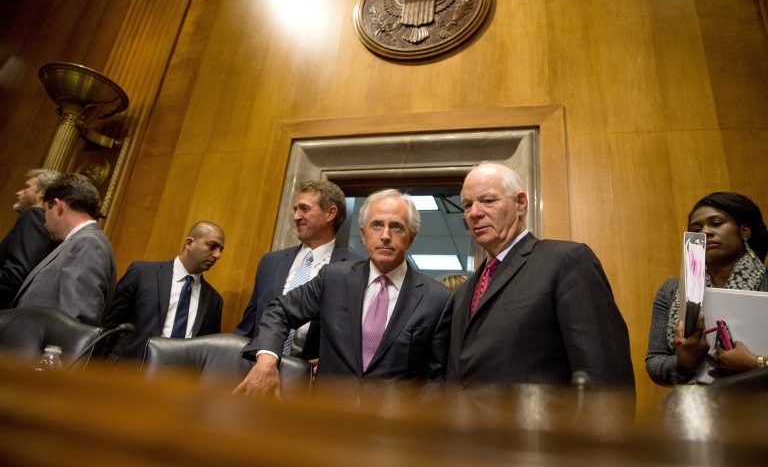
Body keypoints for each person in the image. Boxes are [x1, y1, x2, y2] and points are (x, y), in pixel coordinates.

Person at [234, 189, 451, 397]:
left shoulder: (437, 299)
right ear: (364, 235)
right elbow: (280, 310)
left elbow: (437, 377)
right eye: (376, 225)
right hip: (328, 416)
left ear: (411, 238)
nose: (385, 235)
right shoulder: (333, 279)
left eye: (396, 227)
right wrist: (267, 361)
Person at [445, 162, 634, 387]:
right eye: (467, 205)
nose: (474, 213)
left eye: (488, 200)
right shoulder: (465, 291)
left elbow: (604, 375)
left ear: (521, 204)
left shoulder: (567, 262)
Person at [646, 192, 768, 386]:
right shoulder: (670, 290)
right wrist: (682, 364)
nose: (706, 231)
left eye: (716, 223)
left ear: (745, 231)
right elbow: (654, 361)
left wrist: (756, 364)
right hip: (692, 408)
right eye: (697, 228)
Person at [235, 180, 361, 359]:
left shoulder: (354, 268)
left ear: (330, 213)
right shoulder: (270, 262)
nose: (296, 216)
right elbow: (248, 327)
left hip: (314, 379)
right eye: (295, 209)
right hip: (258, 370)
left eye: (304, 209)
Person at [103, 221, 226, 360]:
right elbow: (109, 327)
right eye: (212, 246)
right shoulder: (142, 274)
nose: (217, 255)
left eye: (221, 249)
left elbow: (207, 350)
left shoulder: (214, 301)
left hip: (176, 378)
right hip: (128, 371)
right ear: (189, 243)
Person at [12, 173, 116, 326]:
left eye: (46, 211)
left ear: (58, 206)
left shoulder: (89, 244)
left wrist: (51, 351)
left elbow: (73, 322)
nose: (45, 223)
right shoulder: (81, 242)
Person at [0, 169, 60, 309]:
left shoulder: (34, 216)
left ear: (42, 194)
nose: (18, 192)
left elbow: (16, 274)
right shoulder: (44, 221)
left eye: (27, 187)